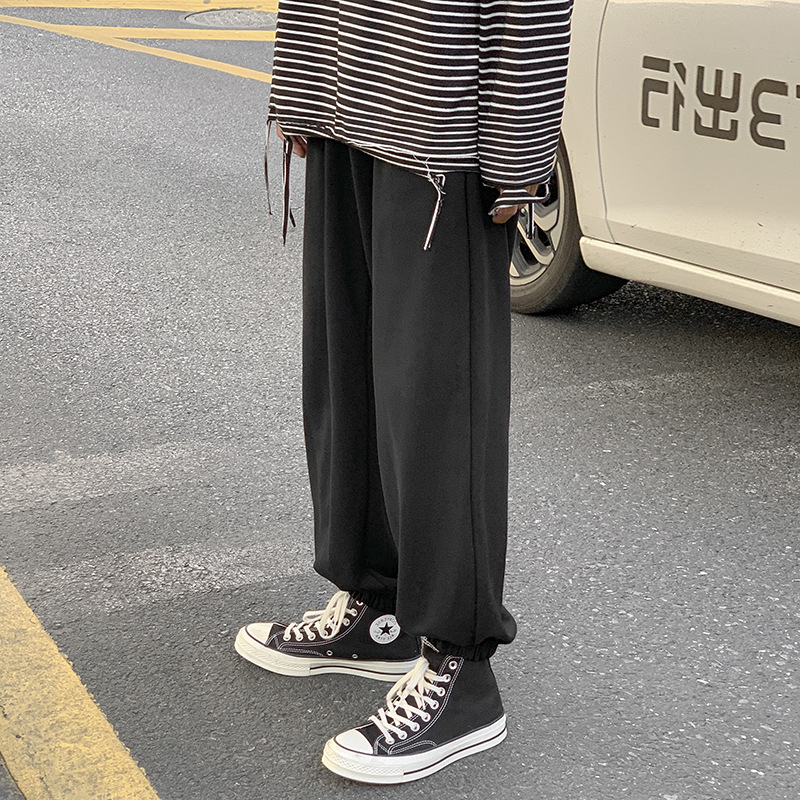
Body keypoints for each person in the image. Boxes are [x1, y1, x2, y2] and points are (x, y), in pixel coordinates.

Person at [235, 0, 574, 784]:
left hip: (442, 123)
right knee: (349, 368)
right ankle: (378, 607)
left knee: (437, 403)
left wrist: (520, 144)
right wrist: (301, 83)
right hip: (344, 90)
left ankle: (463, 671)